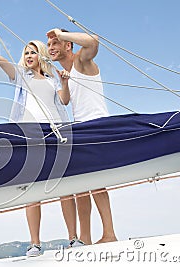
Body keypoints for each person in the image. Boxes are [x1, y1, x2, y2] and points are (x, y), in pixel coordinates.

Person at [0, 32, 70, 257]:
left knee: (65, 188)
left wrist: (65, 83)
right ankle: (35, 244)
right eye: (26, 53)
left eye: (33, 52)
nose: (29, 55)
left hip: (55, 132)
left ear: (41, 55)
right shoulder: (21, 75)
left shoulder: (51, 80)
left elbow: (64, 101)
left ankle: (73, 238)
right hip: (29, 134)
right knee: (32, 190)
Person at [44, 28, 118, 247]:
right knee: (84, 182)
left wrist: (60, 32)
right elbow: (65, 102)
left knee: (96, 183)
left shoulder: (81, 61)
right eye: (49, 45)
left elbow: (94, 42)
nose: (51, 48)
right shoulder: (67, 72)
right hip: (82, 128)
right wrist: (64, 82)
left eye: (55, 43)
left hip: (96, 125)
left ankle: (109, 234)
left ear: (67, 45)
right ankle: (85, 238)